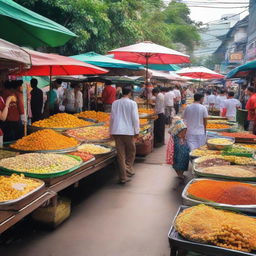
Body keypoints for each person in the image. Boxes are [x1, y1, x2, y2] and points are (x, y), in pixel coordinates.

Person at [110, 87, 140, 184]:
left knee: (121, 155)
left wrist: (111, 131)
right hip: (128, 131)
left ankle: (123, 177)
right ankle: (128, 168)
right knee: (131, 151)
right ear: (130, 93)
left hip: (117, 131)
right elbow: (135, 118)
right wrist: (137, 130)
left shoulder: (115, 103)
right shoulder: (132, 103)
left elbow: (112, 118)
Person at [167, 117, 190, 182]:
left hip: (176, 144)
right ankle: (180, 174)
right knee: (183, 158)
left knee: (176, 159)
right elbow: (182, 136)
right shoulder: (183, 127)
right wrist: (183, 138)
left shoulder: (175, 126)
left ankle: (179, 173)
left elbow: (170, 132)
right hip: (181, 144)